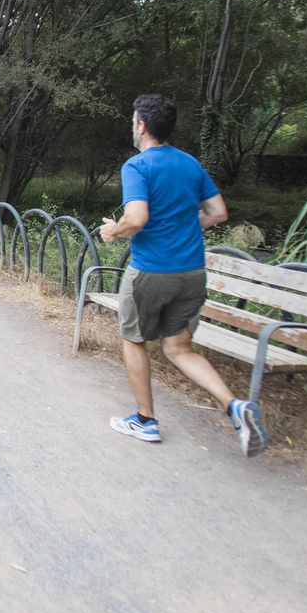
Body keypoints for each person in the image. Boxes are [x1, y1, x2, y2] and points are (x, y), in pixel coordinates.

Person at [98, 94, 268, 456]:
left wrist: (115, 230)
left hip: (152, 272)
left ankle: (145, 421)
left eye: (133, 121)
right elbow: (218, 212)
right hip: (192, 273)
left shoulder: (137, 166)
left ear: (142, 126)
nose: (133, 126)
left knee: (134, 339)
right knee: (178, 347)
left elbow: (138, 218)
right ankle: (235, 407)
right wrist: (185, 226)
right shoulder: (191, 164)